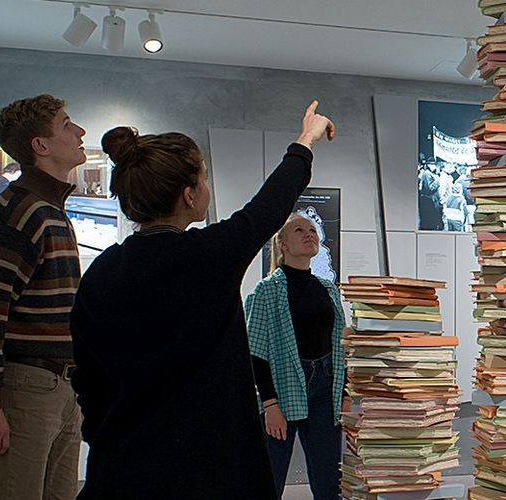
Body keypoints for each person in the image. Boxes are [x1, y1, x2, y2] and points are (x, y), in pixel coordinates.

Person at [69, 101, 335, 498]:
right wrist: (306, 138)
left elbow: (86, 377)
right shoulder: (207, 256)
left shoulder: (101, 272)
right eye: (205, 178)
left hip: (123, 466)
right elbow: (270, 204)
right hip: (207, 468)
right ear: (190, 195)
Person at [0, 94, 87, 499]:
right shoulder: (21, 213)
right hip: (29, 387)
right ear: (40, 146)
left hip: (59, 386)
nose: (79, 132)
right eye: (67, 124)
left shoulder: (48, 210)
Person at [247, 213, 348, 499]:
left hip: (324, 389)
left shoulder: (327, 289)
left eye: (313, 230)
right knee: (271, 477)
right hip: (282, 389)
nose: (309, 234)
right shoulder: (266, 291)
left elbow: (340, 345)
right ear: (282, 244)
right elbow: (256, 352)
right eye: (299, 230)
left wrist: (345, 393)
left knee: (329, 479)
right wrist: (270, 405)